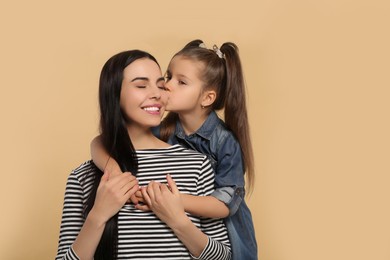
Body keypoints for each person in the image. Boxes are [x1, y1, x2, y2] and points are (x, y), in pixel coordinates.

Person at [55, 49, 231, 260]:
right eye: (141, 85)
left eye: (160, 84)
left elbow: (224, 256)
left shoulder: (196, 165)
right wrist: (98, 215)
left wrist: (177, 220)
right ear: (113, 94)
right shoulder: (83, 176)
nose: (157, 93)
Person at [91, 40, 258, 259]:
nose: (166, 85)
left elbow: (224, 204)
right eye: (168, 77)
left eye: (181, 82)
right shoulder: (163, 128)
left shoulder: (224, 141)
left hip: (224, 224)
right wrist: (112, 169)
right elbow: (100, 142)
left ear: (207, 98)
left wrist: (173, 201)